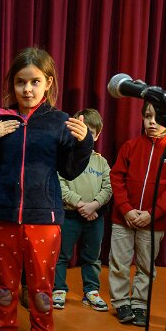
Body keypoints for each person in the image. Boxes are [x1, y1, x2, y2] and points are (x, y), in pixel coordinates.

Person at [0, 47, 92, 331]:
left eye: (35, 82)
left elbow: (69, 171)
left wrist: (84, 145)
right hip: (5, 215)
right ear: (13, 83)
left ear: (48, 82)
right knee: (6, 285)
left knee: (41, 287)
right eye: (21, 82)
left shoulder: (59, 122)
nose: (27, 89)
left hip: (44, 218)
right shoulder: (0, 118)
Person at [107, 102, 166, 326]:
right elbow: (116, 178)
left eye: (158, 117)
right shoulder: (131, 146)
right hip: (123, 219)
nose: (152, 122)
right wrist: (126, 209)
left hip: (152, 222)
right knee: (119, 262)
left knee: (146, 265)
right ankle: (120, 302)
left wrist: (151, 214)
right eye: (148, 116)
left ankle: (140, 304)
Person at [52, 108, 112, 311]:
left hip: (94, 217)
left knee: (92, 256)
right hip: (69, 215)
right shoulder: (65, 158)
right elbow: (60, 185)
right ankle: (58, 288)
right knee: (61, 254)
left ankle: (91, 291)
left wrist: (94, 205)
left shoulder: (101, 162)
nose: (86, 135)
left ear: (97, 135)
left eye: (91, 132)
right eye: (81, 130)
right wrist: (79, 204)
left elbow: (108, 187)